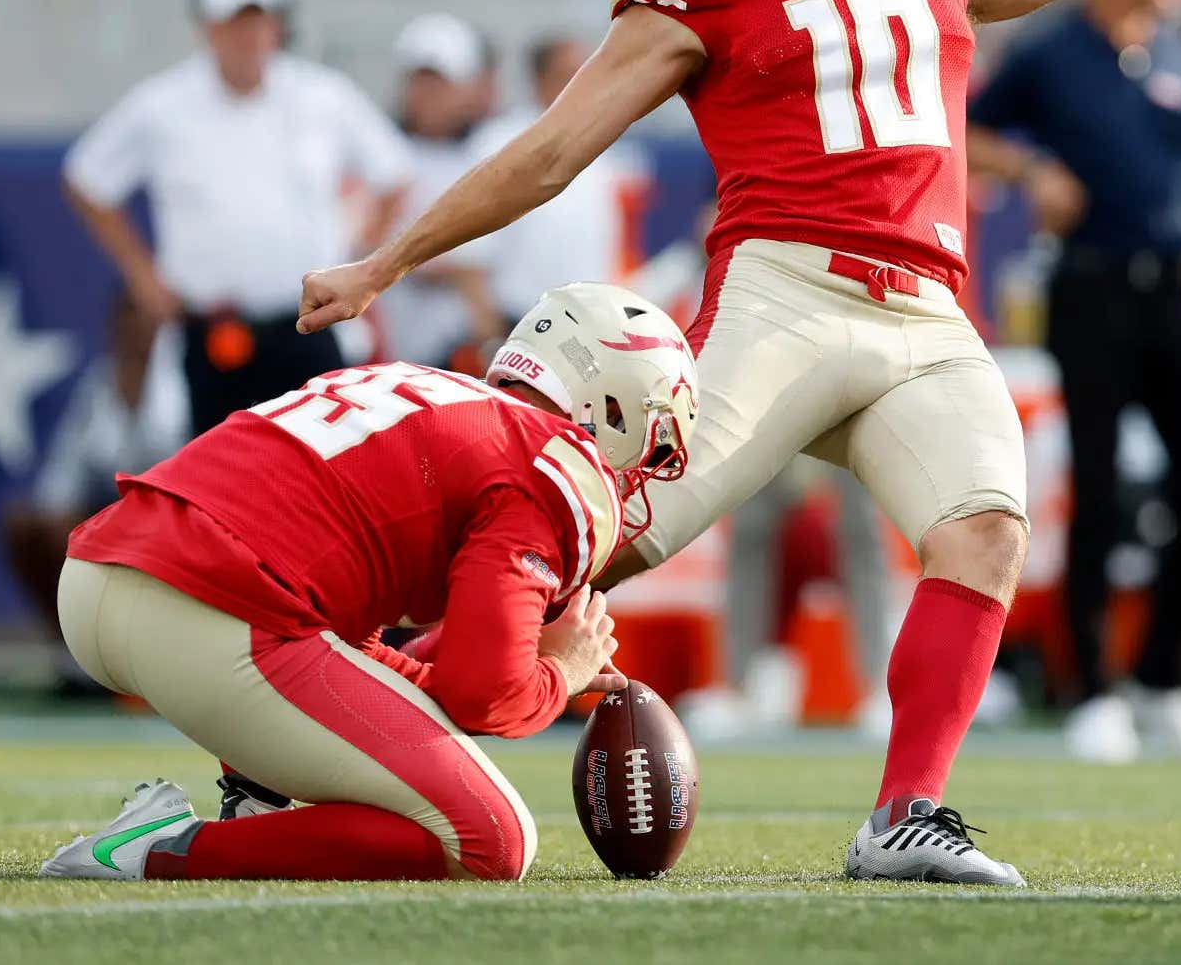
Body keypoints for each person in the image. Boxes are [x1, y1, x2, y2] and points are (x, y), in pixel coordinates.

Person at [299, 0, 1181, 885]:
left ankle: (905, 813)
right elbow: (556, 149)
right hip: (784, 293)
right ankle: (326, 671)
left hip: (924, 311)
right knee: (604, 531)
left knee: (982, 532)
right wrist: (386, 259)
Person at [38, 284, 697, 881]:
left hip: (101, 573)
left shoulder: (416, 384)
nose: (639, 474)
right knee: (493, 840)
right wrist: (561, 671)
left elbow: (356, 650)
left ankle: (253, 802)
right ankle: (159, 849)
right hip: (213, 610)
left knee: (330, 646)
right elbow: (483, 695)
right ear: (609, 409)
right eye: (653, 447)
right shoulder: (549, 463)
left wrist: (469, 674)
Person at [968, 0, 1181, 766]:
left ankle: (1169, 679)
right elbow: (964, 128)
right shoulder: (1052, 54)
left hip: (1179, 291)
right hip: (1091, 287)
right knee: (1097, 488)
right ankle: (1092, 689)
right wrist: (1031, 169)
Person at [64, 0, 411, 436]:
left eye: (259, 22)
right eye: (234, 24)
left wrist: (360, 258)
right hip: (213, 331)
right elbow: (88, 177)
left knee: (323, 468)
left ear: (279, 27)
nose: (248, 38)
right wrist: (142, 275)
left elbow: (395, 175)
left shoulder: (323, 96)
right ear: (207, 29)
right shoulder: (163, 105)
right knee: (214, 475)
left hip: (308, 324)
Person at [6, 289, 186, 681]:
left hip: (175, 515)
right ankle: (77, 657)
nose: (133, 329)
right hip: (109, 511)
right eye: (125, 319)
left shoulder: (187, 381)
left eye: (143, 318)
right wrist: (54, 511)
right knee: (29, 527)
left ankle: (150, 663)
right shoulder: (99, 383)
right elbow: (66, 465)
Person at [469, 34, 644, 321]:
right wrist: (486, 325)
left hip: (591, 318)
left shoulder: (605, 146)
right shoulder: (497, 142)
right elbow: (472, 249)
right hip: (518, 317)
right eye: (571, 75)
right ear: (541, 79)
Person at [375, 15, 503, 367]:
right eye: (420, 81)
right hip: (389, 348)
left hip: (463, 351)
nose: (428, 95)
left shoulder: (494, 152)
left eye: (441, 83)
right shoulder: (380, 153)